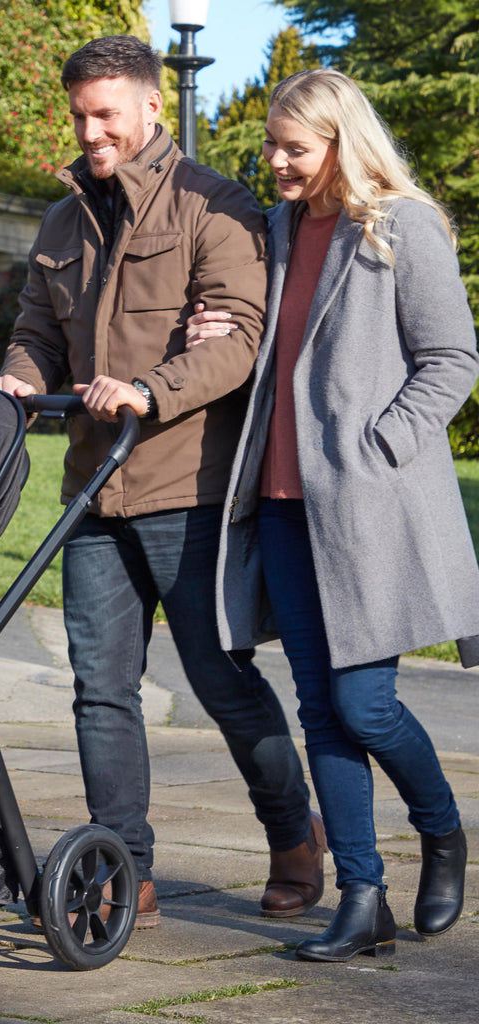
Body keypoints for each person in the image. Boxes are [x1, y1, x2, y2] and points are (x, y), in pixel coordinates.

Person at [0, 35, 320, 930]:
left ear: (150, 109)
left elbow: (239, 339)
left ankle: (294, 835)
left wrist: (148, 389)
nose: (92, 133)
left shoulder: (216, 204)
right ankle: (120, 865)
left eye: (106, 115)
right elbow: (35, 330)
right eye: (80, 117)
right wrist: (21, 375)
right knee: (100, 684)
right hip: (94, 489)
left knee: (219, 679)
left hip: (190, 485)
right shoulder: (63, 223)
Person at [188, 68, 478, 962]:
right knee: (321, 710)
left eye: (293, 148)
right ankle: (362, 895)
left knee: (367, 703)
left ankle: (442, 831)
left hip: (368, 508)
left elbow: (453, 360)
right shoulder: (273, 229)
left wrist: (380, 444)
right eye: (270, 144)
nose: (274, 161)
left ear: (340, 145)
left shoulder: (402, 226)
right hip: (279, 507)